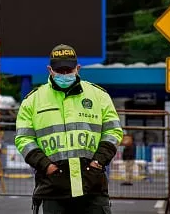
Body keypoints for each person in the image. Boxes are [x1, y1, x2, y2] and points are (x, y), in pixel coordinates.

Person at [15, 44, 123, 214]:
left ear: (77, 68)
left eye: (69, 70)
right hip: (54, 188)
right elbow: (24, 139)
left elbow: (113, 132)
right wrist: (47, 166)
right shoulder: (32, 101)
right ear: (50, 70)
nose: (64, 74)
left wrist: (97, 162)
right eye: (60, 70)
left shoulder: (99, 96)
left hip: (92, 186)